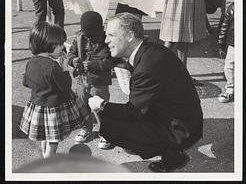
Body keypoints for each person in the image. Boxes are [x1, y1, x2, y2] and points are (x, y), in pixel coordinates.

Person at [88, 13, 203, 172]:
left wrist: (101, 105)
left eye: (111, 35)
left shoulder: (147, 65)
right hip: (184, 118)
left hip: (182, 130)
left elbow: (132, 111)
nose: (106, 40)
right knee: (125, 118)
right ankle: (173, 155)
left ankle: (171, 152)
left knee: (112, 126)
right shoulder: (149, 49)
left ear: (130, 35)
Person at [20, 22, 85, 158]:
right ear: (49, 44)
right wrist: (65, 68)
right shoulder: (52, 66)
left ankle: (45, 157)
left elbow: (26, 82)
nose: (62, 47)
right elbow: (65, 87)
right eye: (60, 44)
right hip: (53, 109)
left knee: (45, 135)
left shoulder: (30, 62)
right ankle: (49, 163)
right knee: (53, 141)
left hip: (38, 106)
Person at [68, 11, 113, 149]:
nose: (88, 38)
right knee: (82, 107)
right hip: (81, 81)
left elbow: (112, 60)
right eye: (86, 35)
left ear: (100, 29)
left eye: (92, 36)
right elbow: (71, 52)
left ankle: (106, 133)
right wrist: (72, 60)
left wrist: (95, 65)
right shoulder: (79, 37)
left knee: (100, 108)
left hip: (99, 83)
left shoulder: (107, 40)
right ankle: (86, 128)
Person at [217, 2, 234, 103]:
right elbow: (224, 27)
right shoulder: (233, 8)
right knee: (229, 67)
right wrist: (221, 44)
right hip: (233, 43)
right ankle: (230, 90)